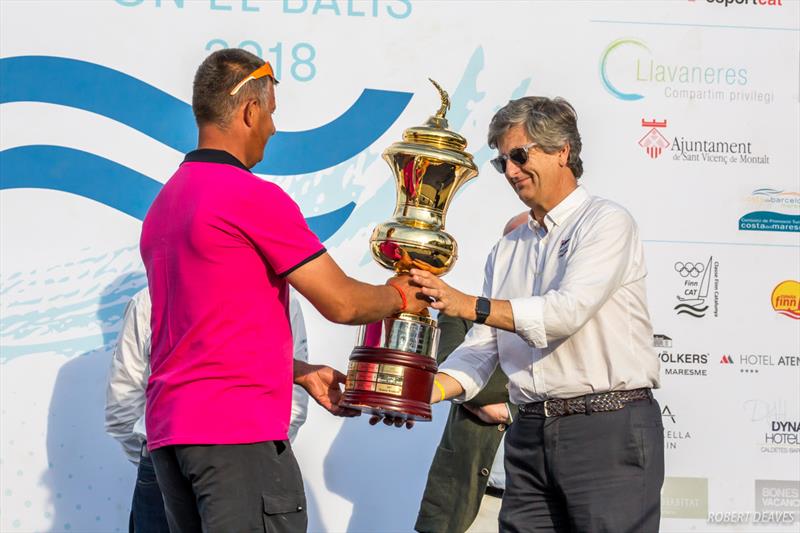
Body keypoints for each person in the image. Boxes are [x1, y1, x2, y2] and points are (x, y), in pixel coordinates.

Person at [138, 48, 427, 533]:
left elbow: (198, 337)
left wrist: (296, 371)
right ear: (250, 111)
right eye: (271, 113)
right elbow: (344, 302)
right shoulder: (249, 197)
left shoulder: (165, 203)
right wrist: (402, 295)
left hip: (173, 439)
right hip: (236, 437)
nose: (272, 128)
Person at [410, 96, 663, 533]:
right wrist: (413, 394)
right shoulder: (509, 246)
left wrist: (468, 304)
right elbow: (481, 350)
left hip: (605, 429)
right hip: (527, 436)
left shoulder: (606, 222)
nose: (510, 171)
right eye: (501, 161)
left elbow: (565, 313)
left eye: (520, 155)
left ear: (563, 150)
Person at [104, 287, 311, 532]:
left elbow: (122, 405)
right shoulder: (149, 299)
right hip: (228, 462)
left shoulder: (151, 298)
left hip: (200, 462)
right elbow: (123, 403)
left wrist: (160, 458)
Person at [415, 213, 528, 533]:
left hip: (535, 504)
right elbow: (451, 371)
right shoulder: (461, 312)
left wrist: (509, 409)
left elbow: (563, 389)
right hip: (465, 502)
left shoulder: (561, 317)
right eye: (512, 245)